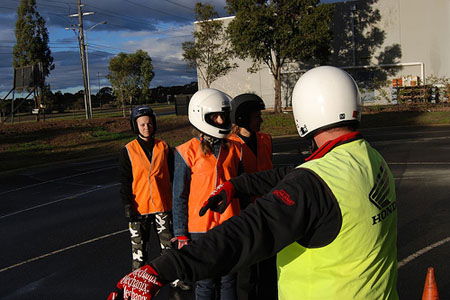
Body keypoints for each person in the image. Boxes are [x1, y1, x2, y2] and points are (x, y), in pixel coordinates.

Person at [109, 66, 398, 300]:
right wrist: (239, 186)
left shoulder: (312, 184)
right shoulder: (370, 159)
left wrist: (160, 270)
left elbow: (245, 232)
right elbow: (290, 172)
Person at [171, 88, 243, 300]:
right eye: (214, 116)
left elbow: (243, 187)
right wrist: (181, 232)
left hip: (230, 223)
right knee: (205, 282)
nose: (221, 120)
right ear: (201, 115)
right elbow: (179, 195)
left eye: (223, 115)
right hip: (200, 228)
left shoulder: (236, 148)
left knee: (229, 279)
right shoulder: (186, 151)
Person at [227, 93, 277, 300]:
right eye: (257, 116)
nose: (261, 120)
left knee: (268, 268)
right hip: (245, 213)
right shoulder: (230, 144)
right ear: (243, 118)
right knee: (247, 271)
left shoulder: (266, 139)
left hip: (267, 209)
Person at [118, 106, 173, 271]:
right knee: (139, 253)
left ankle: (175, 279)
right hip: (139, 208)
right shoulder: (128, 150)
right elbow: (125, 181)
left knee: (169, 248)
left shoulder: (163, 147)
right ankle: (137, 284)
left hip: (162, 206)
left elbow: (173, 175)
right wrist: (127, 205)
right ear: (135, 126)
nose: (146, 127)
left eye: (149, 124)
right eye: (142, 124)